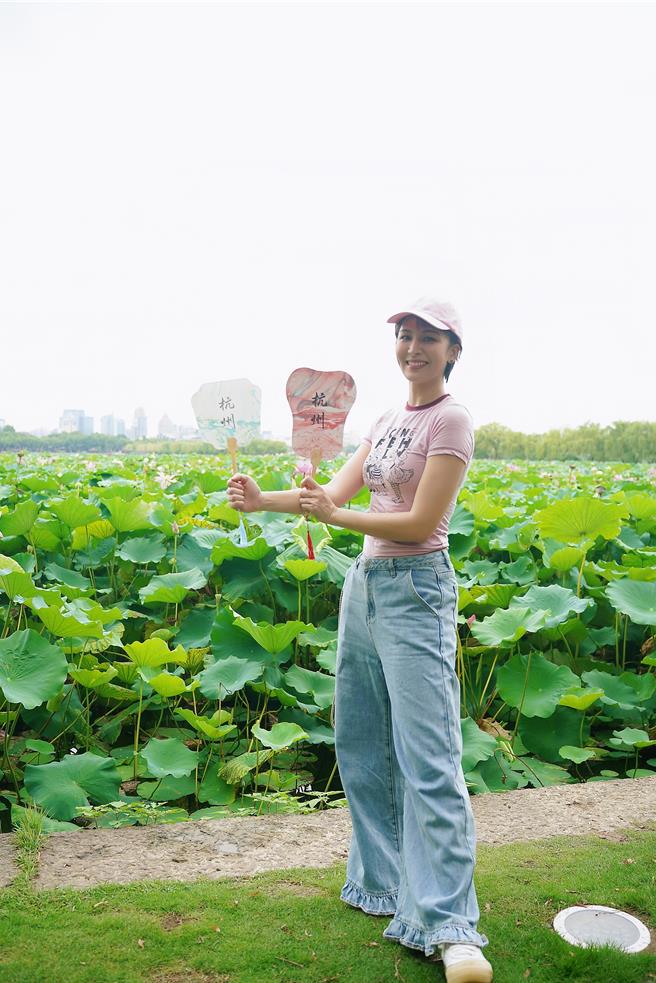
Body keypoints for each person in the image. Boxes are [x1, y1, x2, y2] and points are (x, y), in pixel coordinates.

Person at [227, 296, 493, 983]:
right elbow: (333, 492)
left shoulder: (451, 419)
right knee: (363, 744)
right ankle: (386, 886)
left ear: (452, 350)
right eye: (405, 334)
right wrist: (262, 499)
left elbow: (419, 521)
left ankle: (452, 925)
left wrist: (335, 516)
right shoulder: (385, 420)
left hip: (416, 589)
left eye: (428, 337)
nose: (413, 346)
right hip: (366, 588)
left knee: (429, 757)